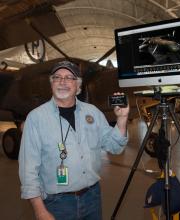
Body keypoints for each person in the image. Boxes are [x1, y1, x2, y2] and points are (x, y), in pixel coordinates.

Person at [18, 60, 130, 220]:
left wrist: (122, 119)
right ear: (51, 84)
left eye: (69, 77)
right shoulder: (36, 118)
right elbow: (28, 170)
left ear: (78, 87)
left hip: (92, 197)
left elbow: (114, 147)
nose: (62, 81)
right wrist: (40, 210)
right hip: (57, 203)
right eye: (57, 77)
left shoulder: (93, 112)